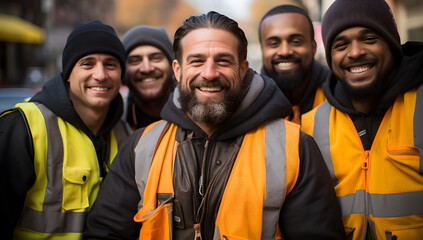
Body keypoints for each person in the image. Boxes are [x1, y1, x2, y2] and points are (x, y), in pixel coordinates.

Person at [84, 11, 345, 240]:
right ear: (178, 70)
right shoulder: (141, 148)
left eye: (223, 61)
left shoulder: (294, 148)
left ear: (243, 70)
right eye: (196, 61)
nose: (209, 73)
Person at [301, 0, 423, 239]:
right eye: (341, 44)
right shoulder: (311, 124)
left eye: (369, 39)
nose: (355, 52)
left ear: (391, 44)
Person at [0, 20, 130, 240]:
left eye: (110, 64)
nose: (100, 75)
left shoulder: (128, 136)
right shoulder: (24, 127)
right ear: (68, 74)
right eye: (87, 64)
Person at [259, 5, 329, 124]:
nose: (285, 51)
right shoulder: (247, 105)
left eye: (296, 42)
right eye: (274, 43)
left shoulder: (339, 93)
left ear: (313, 47)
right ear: (262, 50)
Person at [121, 25, 175, 130]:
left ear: (173, 66)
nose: (147, 68)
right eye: (135, 60)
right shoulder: (114, 124)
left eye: (156, 58)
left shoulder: (197, 118)